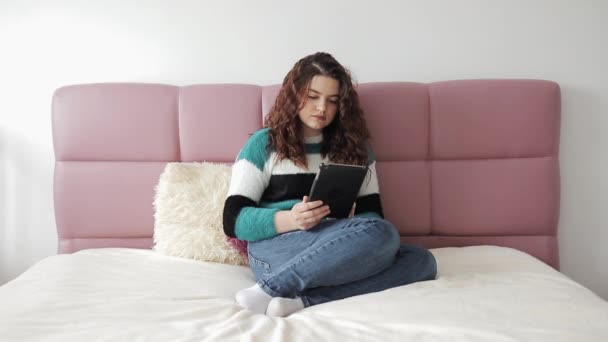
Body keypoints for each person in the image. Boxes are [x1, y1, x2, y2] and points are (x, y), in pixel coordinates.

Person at [222, 52, 437, 317]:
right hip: (275, 251)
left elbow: (372, 216)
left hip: (333, 248)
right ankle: (269, 288)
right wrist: (292, 220)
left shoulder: (356, 150)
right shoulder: (263, 144)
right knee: (387, 235)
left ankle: (302, 301)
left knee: (422, 260)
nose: (322, 108)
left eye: (332, 101)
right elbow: (233, 220)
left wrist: (353, 231)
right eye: (312, 97)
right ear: (294, 94)